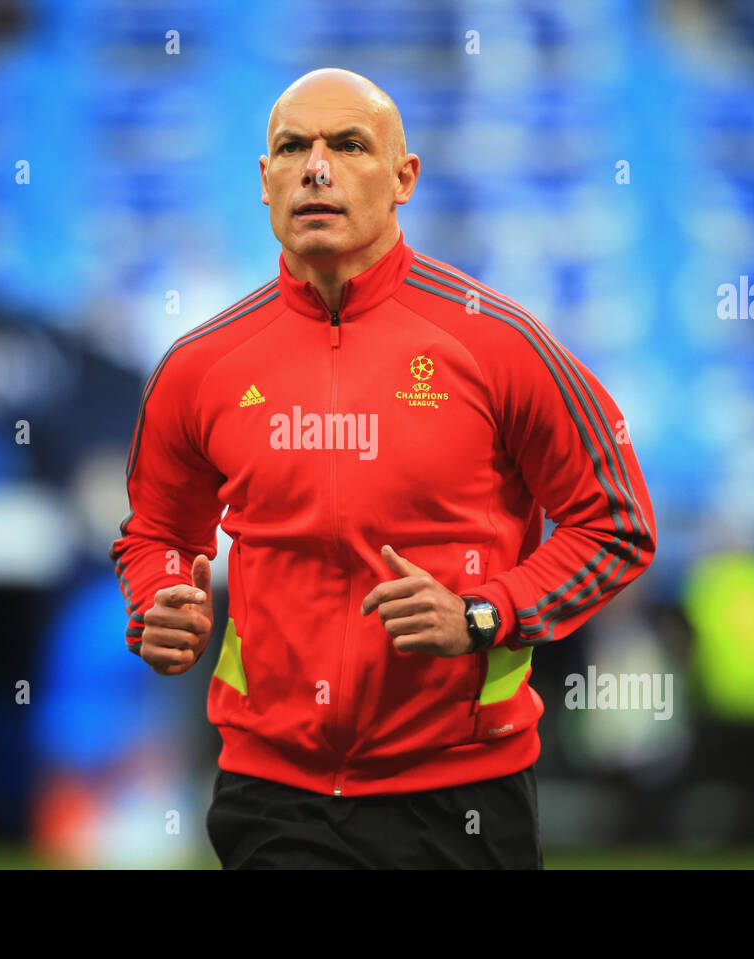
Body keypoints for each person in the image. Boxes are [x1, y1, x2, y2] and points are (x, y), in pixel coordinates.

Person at [109, 68, 656, 869]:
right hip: (274, 793)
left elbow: (617, 524)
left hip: (463, 795)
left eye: (349, 145)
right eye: (293, 148)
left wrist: (482, 613)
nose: (317, 168)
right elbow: (156, 531)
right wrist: (157, 600)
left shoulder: (499, 343)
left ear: (405, 179)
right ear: (265, 182)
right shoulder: (200, 367)